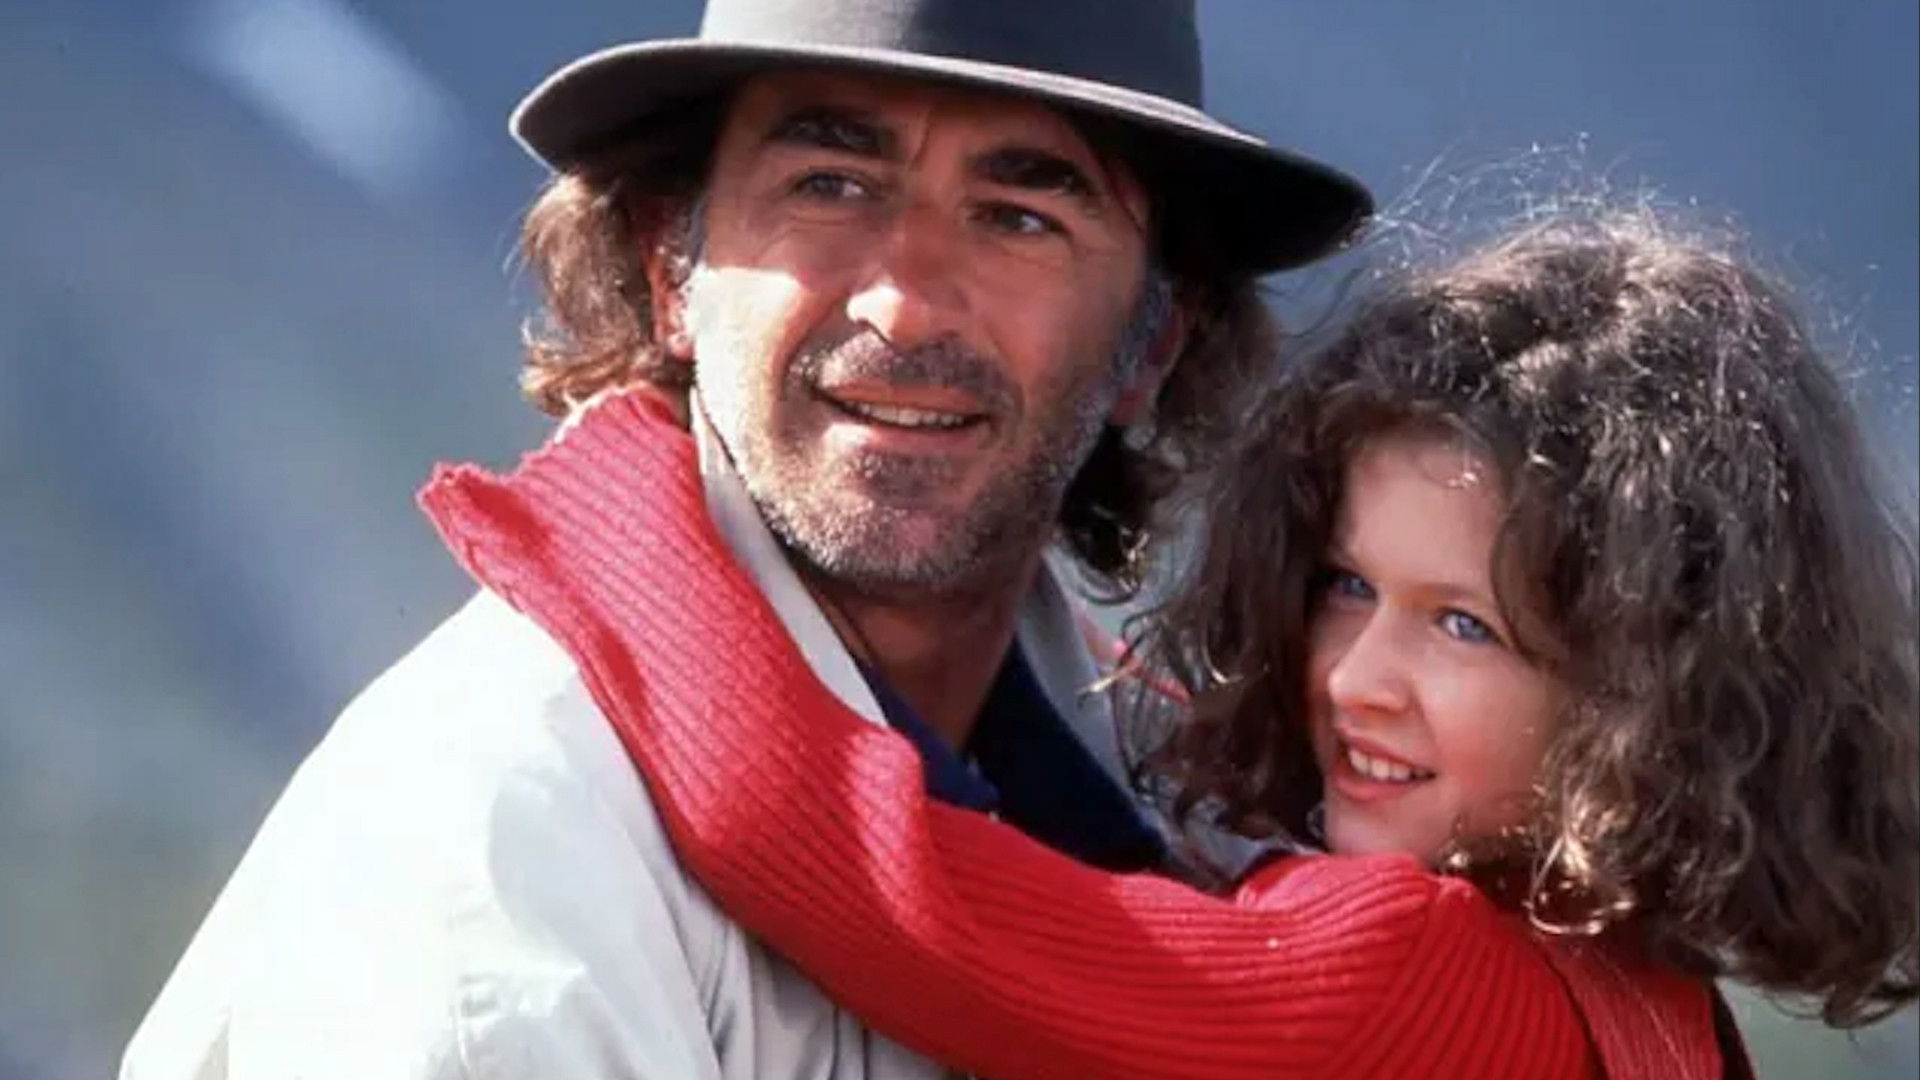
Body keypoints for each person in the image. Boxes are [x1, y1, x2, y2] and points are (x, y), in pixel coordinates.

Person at [121, 1, 1371, 1077]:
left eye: (1018, 216)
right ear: (673, 273)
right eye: (829, 186)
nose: (905, 300)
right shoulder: (500, 840)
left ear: (1155, 342)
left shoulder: (1219, 829)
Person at [421, 208, 1920, 1079]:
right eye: (1344, 586)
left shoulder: (1418, 981)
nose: (1354, 678)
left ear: (1649, 688)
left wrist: (621, 487)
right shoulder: (1653, 1007)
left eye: (1465, 626)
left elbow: (884, 882)